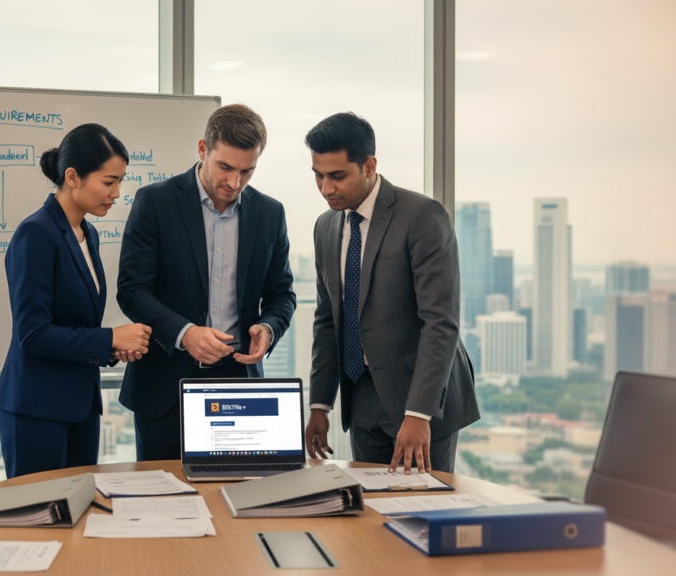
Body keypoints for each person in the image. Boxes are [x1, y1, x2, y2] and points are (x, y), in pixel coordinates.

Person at [117, 104, 296, 461]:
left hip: (237, 386)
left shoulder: (270, 213)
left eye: (247, 171)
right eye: (225, 167)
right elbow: (132, 289)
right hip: (164, 386)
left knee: (238, 498)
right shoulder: (155, 202)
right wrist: (186, 333)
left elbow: (282, 294)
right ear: (203, 149)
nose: (234, 182)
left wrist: (269, 327)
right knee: (163, 500)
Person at [304, 112, 479, 474]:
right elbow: (326, 321)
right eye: (318, 176)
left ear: (369, 165)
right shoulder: (325, 227)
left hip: (419, 399)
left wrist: (418, 415)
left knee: (420, 512)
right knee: (370, 515)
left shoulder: (422, 216)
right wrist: (320, 405)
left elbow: (441, 323)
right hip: (362, 396)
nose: (326, 188)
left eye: (338, 175)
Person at [0, 123, 152, 478]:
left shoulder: (87, 233)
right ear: (72, 176)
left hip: (80, 406)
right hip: (36, 409)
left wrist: (111, 349)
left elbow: (75, 325)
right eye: (109, 182)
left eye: (120, 182)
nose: (117, 193)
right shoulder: (35, 233)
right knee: (39, 519)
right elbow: (32, 334)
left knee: (78, 519)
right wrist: (109, 338)